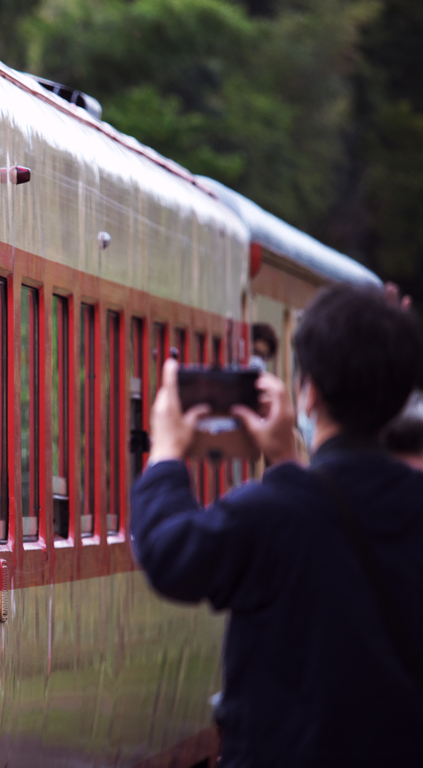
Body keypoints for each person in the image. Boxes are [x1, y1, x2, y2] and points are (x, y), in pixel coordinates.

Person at [131, 283, 423, 766]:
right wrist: (287, 460)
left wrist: (165, 456)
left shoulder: (270, 513)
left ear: (310, 394)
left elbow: (168, 553)